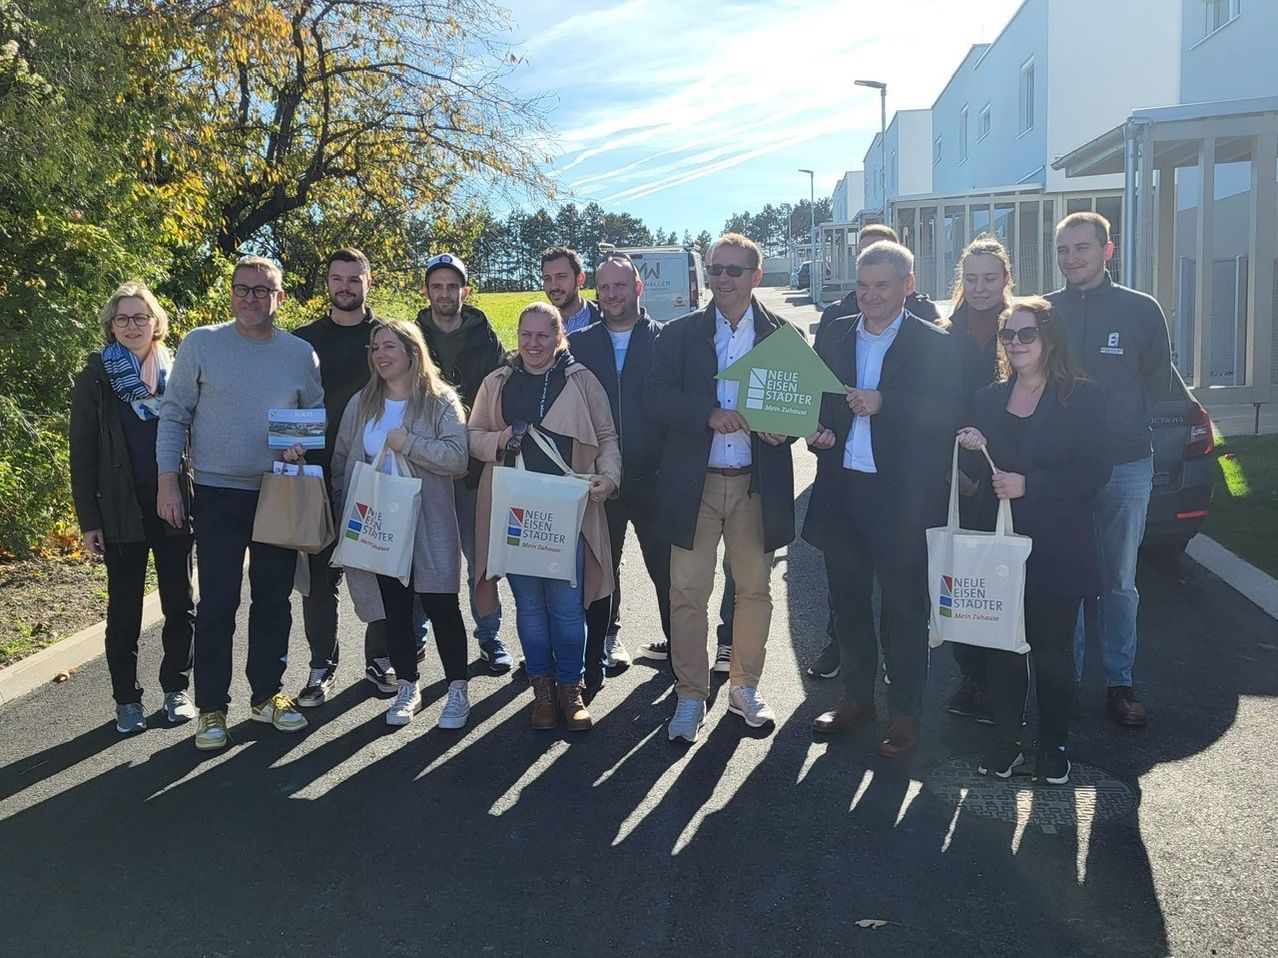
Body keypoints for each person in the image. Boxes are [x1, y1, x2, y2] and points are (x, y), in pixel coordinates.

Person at [157, 255, 323, 751]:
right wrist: (167, 482)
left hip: (277, 490)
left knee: (273, 599)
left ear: (279, 297)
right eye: (242, 289)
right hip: (216, 492)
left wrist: (301, 447)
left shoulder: (300, 353)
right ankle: (212, 706)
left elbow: (314, 418)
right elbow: (174, 415)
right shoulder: (201, 344)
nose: (251, 298)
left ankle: (267, 694)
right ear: (231, 293)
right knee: (218, 603)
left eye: (262, 290)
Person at [803, 241, 960, 758]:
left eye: (882, 286)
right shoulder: (836, 334)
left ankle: (905, 715)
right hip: (843, 490)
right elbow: (820, 402)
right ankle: (856, 699)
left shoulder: (935, 344)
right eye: (863, 286)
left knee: (904, 611)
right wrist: (817, 432)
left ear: (908, 286)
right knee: (847, 606)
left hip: (902, 500)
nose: (870, 296)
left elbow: (949, 413)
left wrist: (886, 402)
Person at [645, 232, 796, 743]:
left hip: (756, 484)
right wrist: (706, 414)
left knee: (754, 591)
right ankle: (690, 693)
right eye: (715, 269)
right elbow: (655, 396)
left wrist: (786, 430)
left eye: (734, 270)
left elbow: (799, 407)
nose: (722, 279)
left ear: (757, 276)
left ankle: (744, 688)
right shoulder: (680, 334)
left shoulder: (782, 335)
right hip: (696, 485)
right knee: (687, 591)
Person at [957, 297, 1112, 784]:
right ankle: (1007, 742)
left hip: (1056, 545)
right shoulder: (987, 399)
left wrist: (1031, 484)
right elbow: (975, 474)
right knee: (1002, 648)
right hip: (999, 545)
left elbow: (1095, 471)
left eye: (1027, 334)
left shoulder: (1082, 397)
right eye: (1009, 335)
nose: (1017, 343)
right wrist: (969, 445)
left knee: (1051, 652)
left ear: (1049, 339)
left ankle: (1053, 746)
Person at [468, 302, 621, 731]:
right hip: (515, 511)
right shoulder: (496, 382)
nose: (533, 344)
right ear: (517, 337)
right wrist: (502, 439)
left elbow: (606, 436)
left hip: (568, 512)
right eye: (526, 335)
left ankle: (571, 689)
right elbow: (473, 436)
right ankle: (543, 691)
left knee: (568, 608)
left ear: (559, 338)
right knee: (531, 607)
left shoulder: (582, 380)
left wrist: (609, 478)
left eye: (542, 335)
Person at [1046, 212, 1172, 727]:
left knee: (1118, 580)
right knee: (1068, 580)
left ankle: (1120, 682)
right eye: (1063, 249)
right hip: (1061, 472)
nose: (1071, 257)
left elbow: (1158, 382)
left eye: (1082, 247)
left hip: (1125, 466)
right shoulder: (1045, 312)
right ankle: (1069, 681)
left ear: (1107, 250)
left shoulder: (1141, 310)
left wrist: (1121, 425)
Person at [328, 320, 473, 728]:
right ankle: (408, 686)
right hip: (378, 523)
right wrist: (343, 509)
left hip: (428, 522)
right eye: (375, 348)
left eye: (389, 346)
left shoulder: (440, 400)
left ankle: (457, 689)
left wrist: (408, 443)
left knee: (442, 606)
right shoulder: (363, 402)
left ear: (412, 352)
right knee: (395, 609)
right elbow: (342, 459)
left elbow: (457, 458)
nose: (380, 355)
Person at [70, 282, 196, 734]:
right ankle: (127, 700)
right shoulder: (96, 377)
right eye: (122, 318)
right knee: (124, 610)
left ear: (155, 322)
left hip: (173, 501)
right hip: (119, 508)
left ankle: (176, 688)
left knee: (179, 602)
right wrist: (89, 521)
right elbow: (82, 452)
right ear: (111, 325)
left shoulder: (178, 373)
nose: (132, 326)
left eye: (140, 317)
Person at [290, 248, 395, 705]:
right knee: (317, 580)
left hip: (374, 476)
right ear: (328, 283)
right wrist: (288, 446)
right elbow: (289, 401)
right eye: (338, 278)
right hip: (314, 475)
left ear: (369, 282)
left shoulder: (387, 337)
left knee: (380, 572)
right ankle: (321, 665)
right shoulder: (301, 342)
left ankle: (381, 657)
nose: (346, 286)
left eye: (355, 279)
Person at [569, 253, 668, 692]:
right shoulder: (579, 344)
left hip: (655, 480)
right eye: (604, 287)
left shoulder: (666, 340)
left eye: (621, 286)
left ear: (638, 288)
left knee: (666, 570)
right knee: (601, 569)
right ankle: (606, 641)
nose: (611, 295)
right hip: (600, 481)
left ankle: (679, 647)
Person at [415, 252, 513, 673]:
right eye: (437, 286)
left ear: (464, 291)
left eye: (452, 286)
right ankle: (415, 637)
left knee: (481, 560)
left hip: (474, 469)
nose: (445, 294)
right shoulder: (412, 338)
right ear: (426, 291)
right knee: (423, 558)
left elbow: (502, 393)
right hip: (427, 466)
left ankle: (489, 636)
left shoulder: (486, 339)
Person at [941, 235, 1016, 725]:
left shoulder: (1023, 329)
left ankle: (1008, 679)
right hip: (954, 475)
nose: (981, 287)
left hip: (1007, 476)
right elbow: (934, 405)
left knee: (1003, 581)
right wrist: (956, 473)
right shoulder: (943, 334)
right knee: (961, 581)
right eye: (971, 278)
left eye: (990, 278)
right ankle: (972, 677)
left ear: (1007, 278)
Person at [812, 224, 939, 346]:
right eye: (865, 253)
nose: (873, 259)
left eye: (882, 252)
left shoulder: (924, 312)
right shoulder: (836, 316)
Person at [541, 246, 601, 334]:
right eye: (547, 279)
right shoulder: (536, 325)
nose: (554, 286)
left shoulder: (606, 318)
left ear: (580, 279)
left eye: (561, 277)